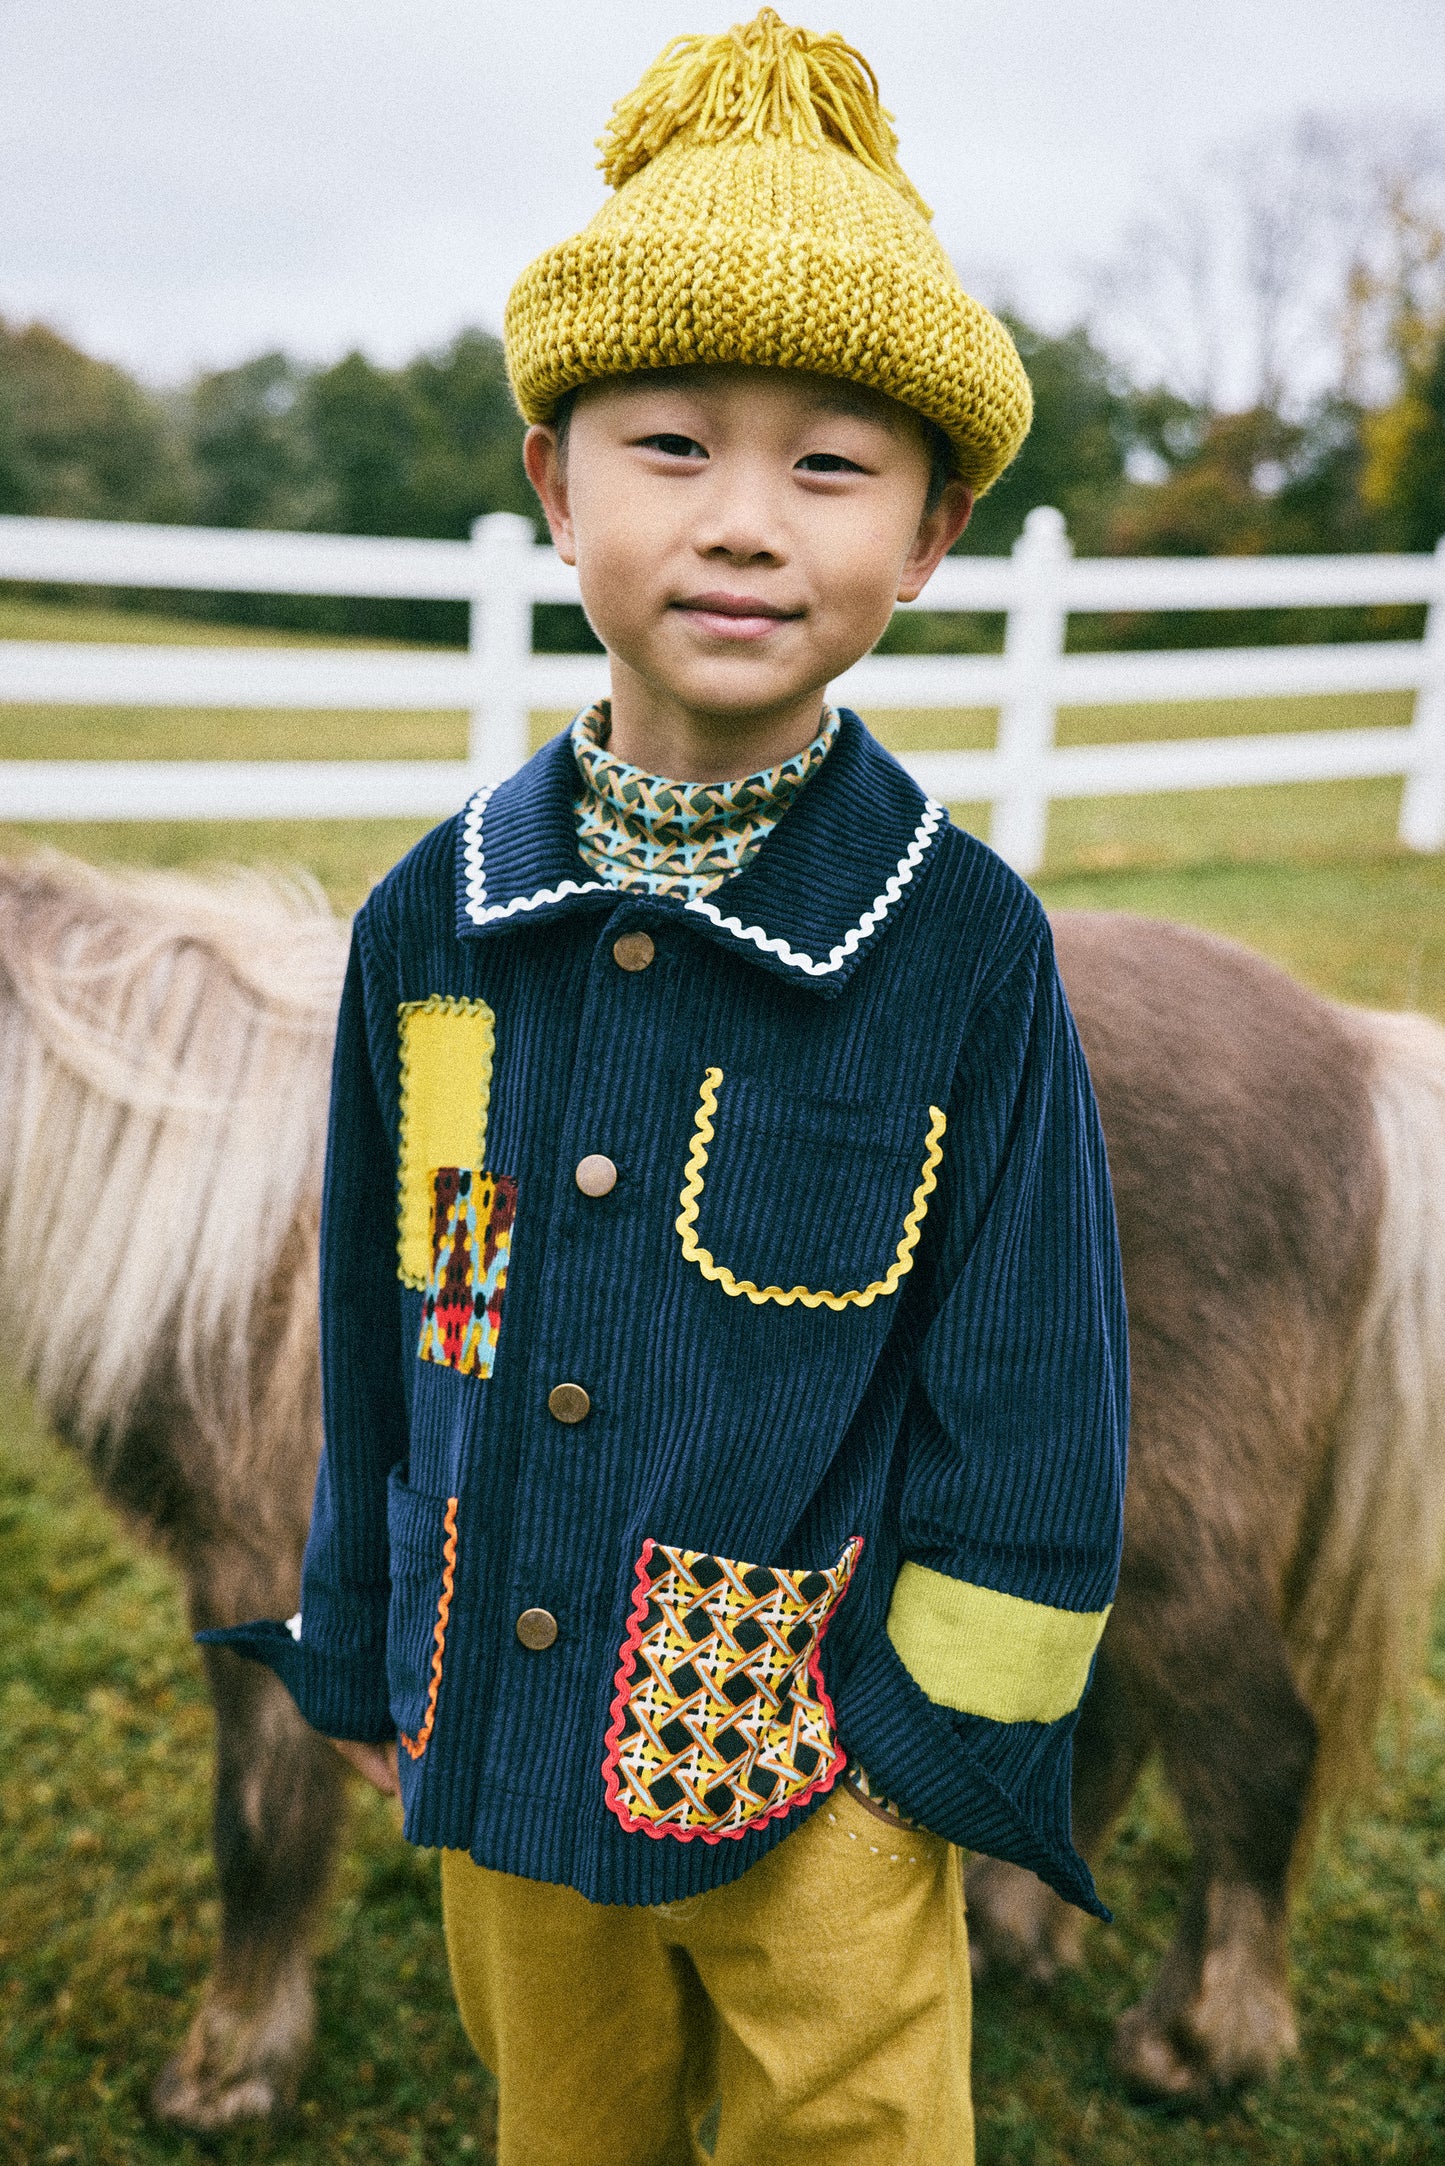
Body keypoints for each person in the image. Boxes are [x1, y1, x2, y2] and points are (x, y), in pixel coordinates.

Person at [205, 12, 1128, 2162]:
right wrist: (370, 1642)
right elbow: (403, 1311)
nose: (741, 523)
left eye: (829, 466)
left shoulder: (963, 955)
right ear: (551, 481)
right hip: (505, 1730)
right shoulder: (435, 928)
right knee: (569, 2123)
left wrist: (927, 1755)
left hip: (818, 1771)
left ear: (930, 536)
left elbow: (1033, 1387)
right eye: (669, 447)